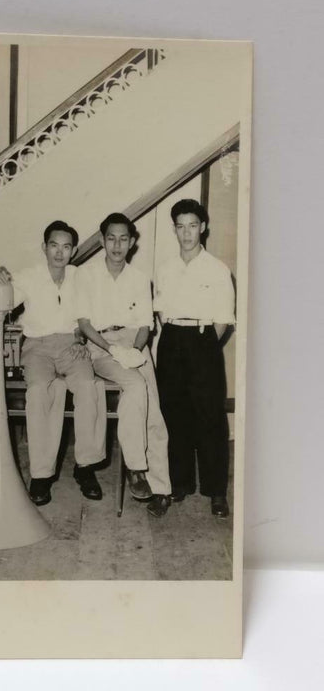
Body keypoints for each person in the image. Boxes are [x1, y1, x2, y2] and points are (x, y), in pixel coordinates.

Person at [0, 221, 106, 506]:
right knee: (40, 390)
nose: (59, 252)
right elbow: (0, 307)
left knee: (89, 387)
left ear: (74, 250)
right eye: (54, 245)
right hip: (37, 347)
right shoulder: (28, 276)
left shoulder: (81, 275)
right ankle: (41, 476)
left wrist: (82, 342)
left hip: (71, 345)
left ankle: (85, 466)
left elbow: (89, 317)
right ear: (44, 247)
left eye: (66, 247)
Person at [76, 213, 172, 518]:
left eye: (123, 239)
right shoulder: (86, 275)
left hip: (134, 345)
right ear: (103, 240)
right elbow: (85, 324)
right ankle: (135, 467)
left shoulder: (139, 278)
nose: (117, 245)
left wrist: (134, 350)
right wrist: (114, 350)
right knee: (134, 384)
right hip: (100, 346)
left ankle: (161, 489)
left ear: (131, 243)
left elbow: (145, 325)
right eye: (111, 238)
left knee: (153, 411)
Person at [154, 199, 235, 518]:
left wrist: (202, 348)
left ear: (203, 228)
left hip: (203, 339)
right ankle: (180, 483)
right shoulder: (165, 268)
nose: (186, 233)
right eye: (180, 226)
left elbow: (223, 320)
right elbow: (160, 310)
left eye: (192, 225)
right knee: (175, 413)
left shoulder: (217, 269)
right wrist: (177, 340)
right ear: (174, 229)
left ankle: (216, 492)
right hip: (171, 338)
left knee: (210, 417)